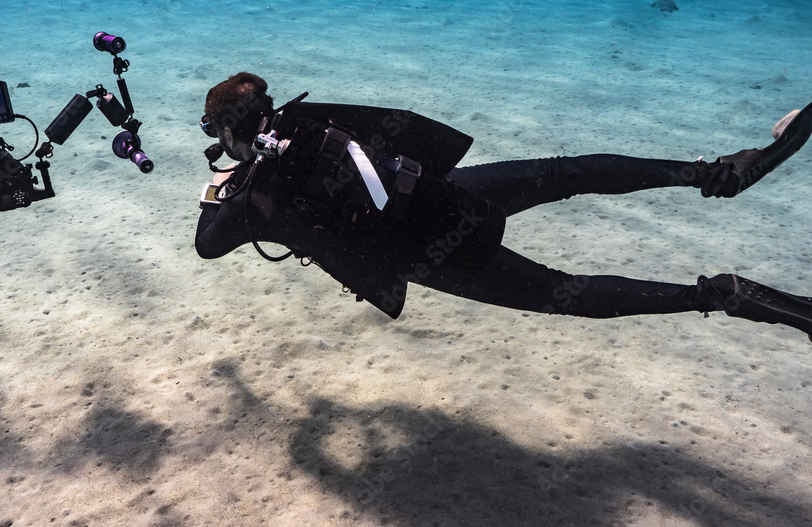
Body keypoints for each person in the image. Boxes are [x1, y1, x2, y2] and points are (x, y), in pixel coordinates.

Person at [194, 72, 812, 339]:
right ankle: (719, 173)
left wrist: (216, 189)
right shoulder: (310, 123)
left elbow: (207, 243)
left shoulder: (256, 196)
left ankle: (719, 294)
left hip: (433, 256)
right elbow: (399, 134)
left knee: (563, 291)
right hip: (445, 195)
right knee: (562, 173)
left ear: (228, 133)